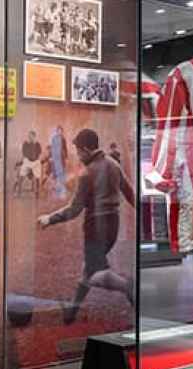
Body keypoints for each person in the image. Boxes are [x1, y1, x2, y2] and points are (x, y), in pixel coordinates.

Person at [38, 128, 135, 324]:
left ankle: (127, 286)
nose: (76, 154)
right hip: (112, 226)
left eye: (77, 150)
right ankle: (71, 311)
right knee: (89, 269)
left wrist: (49, 219)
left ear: (86, 149)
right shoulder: (113, 164)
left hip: (94, 229)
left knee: (93, 274)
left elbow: (75, 209)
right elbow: (130, 192)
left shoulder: (87, 173)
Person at [43, 125, 69, 199]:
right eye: (58, 131)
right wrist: (50, 157)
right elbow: (51, 148)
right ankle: (52, 191)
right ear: (56, 131)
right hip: (54, 159)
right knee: (53, 174)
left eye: (61, 131)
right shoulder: (53, 139)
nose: (60, 132)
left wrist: (66, 157)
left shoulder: (63, 139)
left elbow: (65, 148)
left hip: (61, 158)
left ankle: (60, 192)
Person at [17, 130, 43, 196]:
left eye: (32, 136)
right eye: (29, 136)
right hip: (27, 161)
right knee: (21, 175)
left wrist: (37, 160)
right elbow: (24, 152)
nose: (30, 137)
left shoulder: (37, 144)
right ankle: (19, 192)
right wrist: (26, 159)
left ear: (34, 136)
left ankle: (37, 192)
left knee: (37, 176)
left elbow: (39, 153)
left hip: (35, 161)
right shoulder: (25, 143)